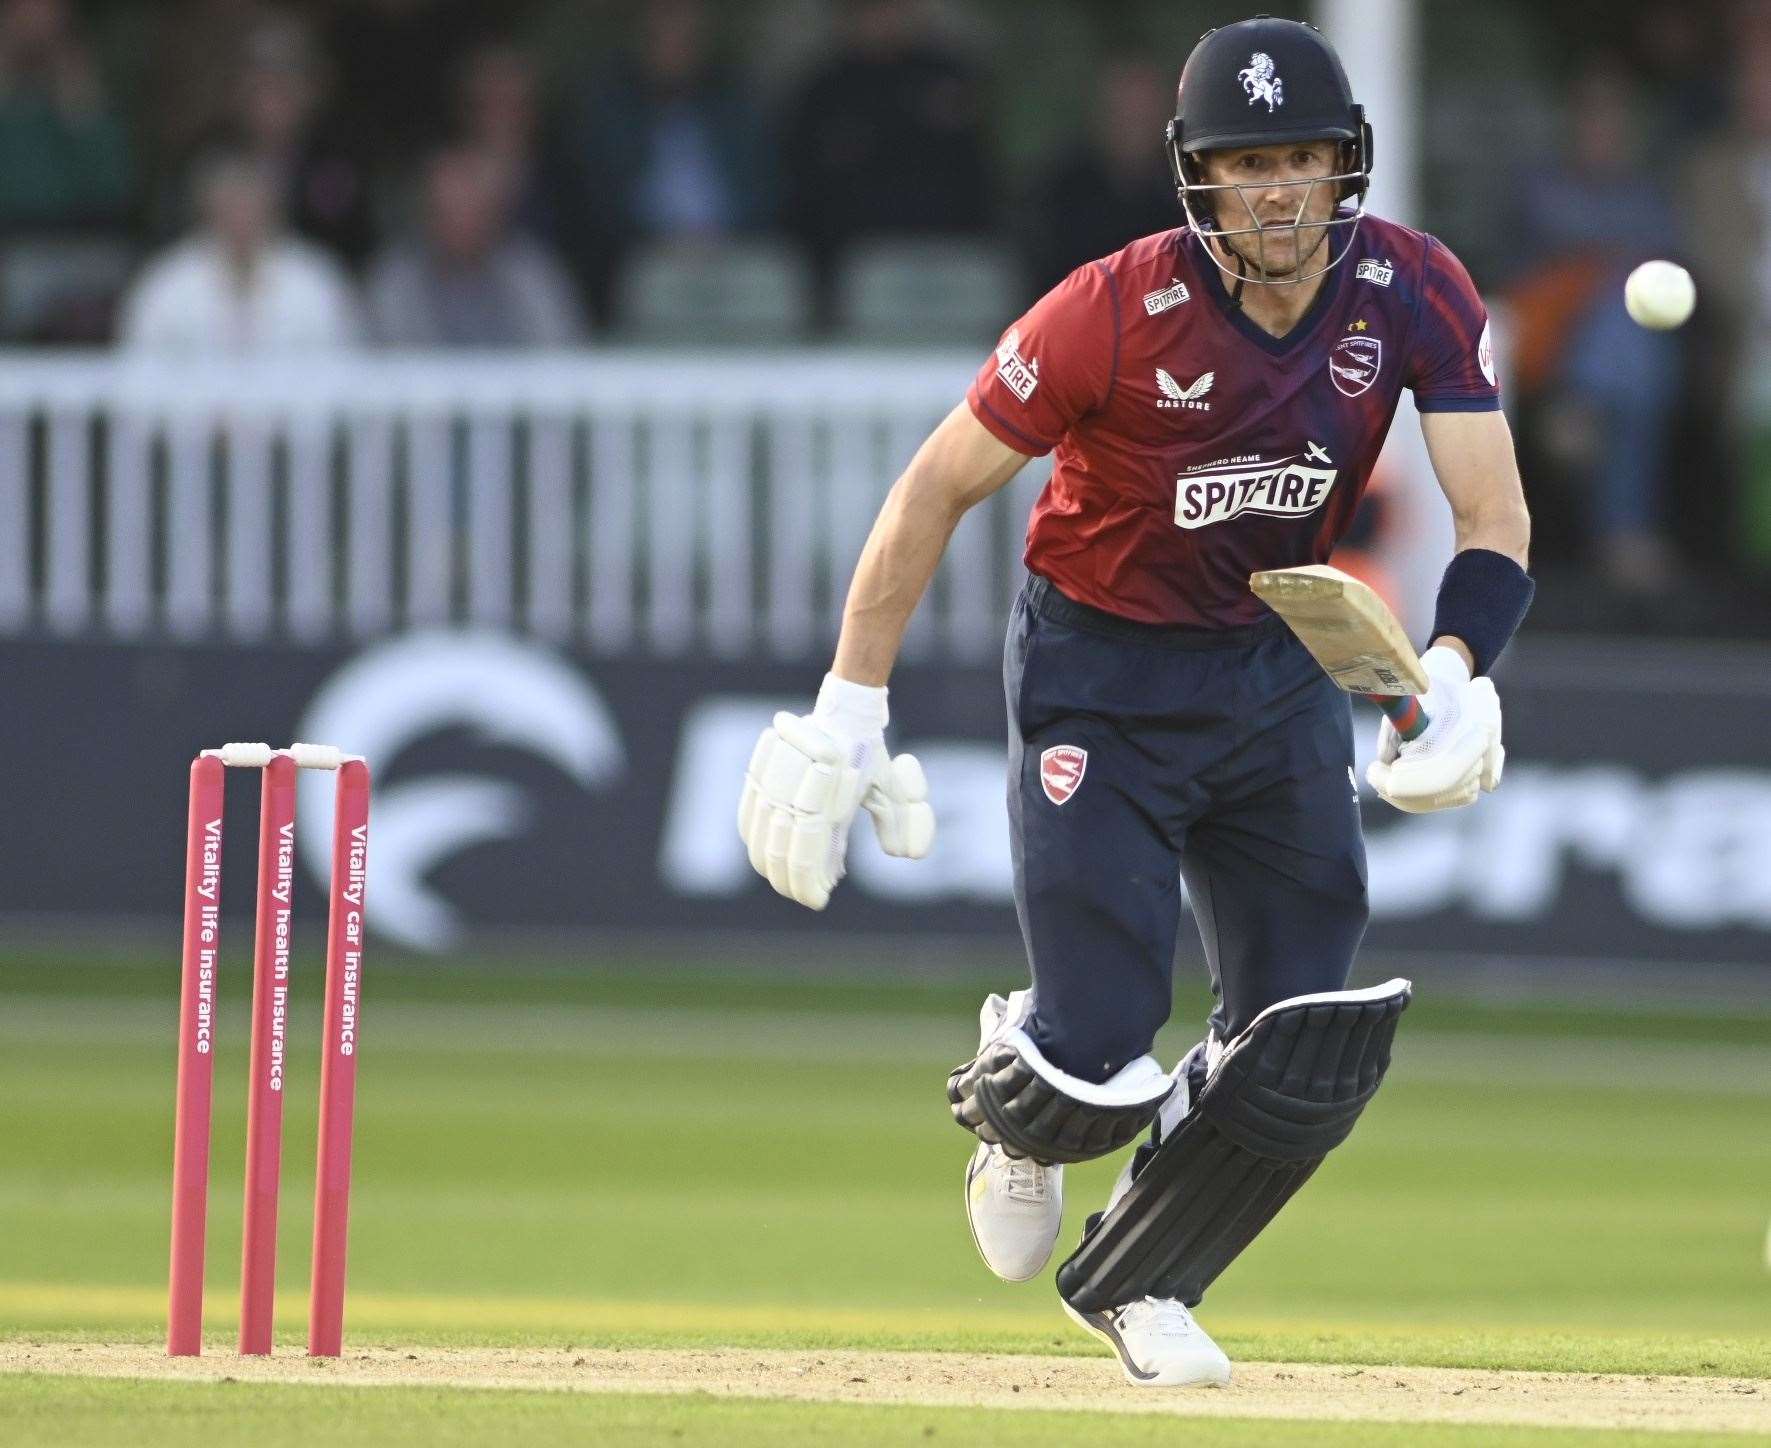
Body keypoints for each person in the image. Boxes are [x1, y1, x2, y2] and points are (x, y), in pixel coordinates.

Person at [736, 18, 1532, 1388]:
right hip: (1096, 672)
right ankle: (1015, 1096)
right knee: (1097, 1046)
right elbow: (933, 488)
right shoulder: (1109, 307)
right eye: (1244, 165)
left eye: (1299, 161)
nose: (1275, 196)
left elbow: (1492, 512)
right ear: (1195, 179)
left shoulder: (1407, 289)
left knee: (1294, 1040)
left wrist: (1454, 672)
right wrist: (845, 707)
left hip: (1273, 660)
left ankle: (1143, 1274)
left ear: (1344, 164)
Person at [119, 146, 361, 353]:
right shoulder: (167, 283)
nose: (241, 216)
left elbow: (346, 365)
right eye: (231, 204)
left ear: (273, 207)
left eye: (250, 203)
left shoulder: (315, 279)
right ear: (207, 209)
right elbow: (140, 370)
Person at [366, 144, 586, 348]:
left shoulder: (532, 275)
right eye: (447, 210)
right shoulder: (395, 282)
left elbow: (562, 355)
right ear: (426, 213)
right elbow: (388, 367)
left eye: (471, 209)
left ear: (495, 213)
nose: (461, 221)